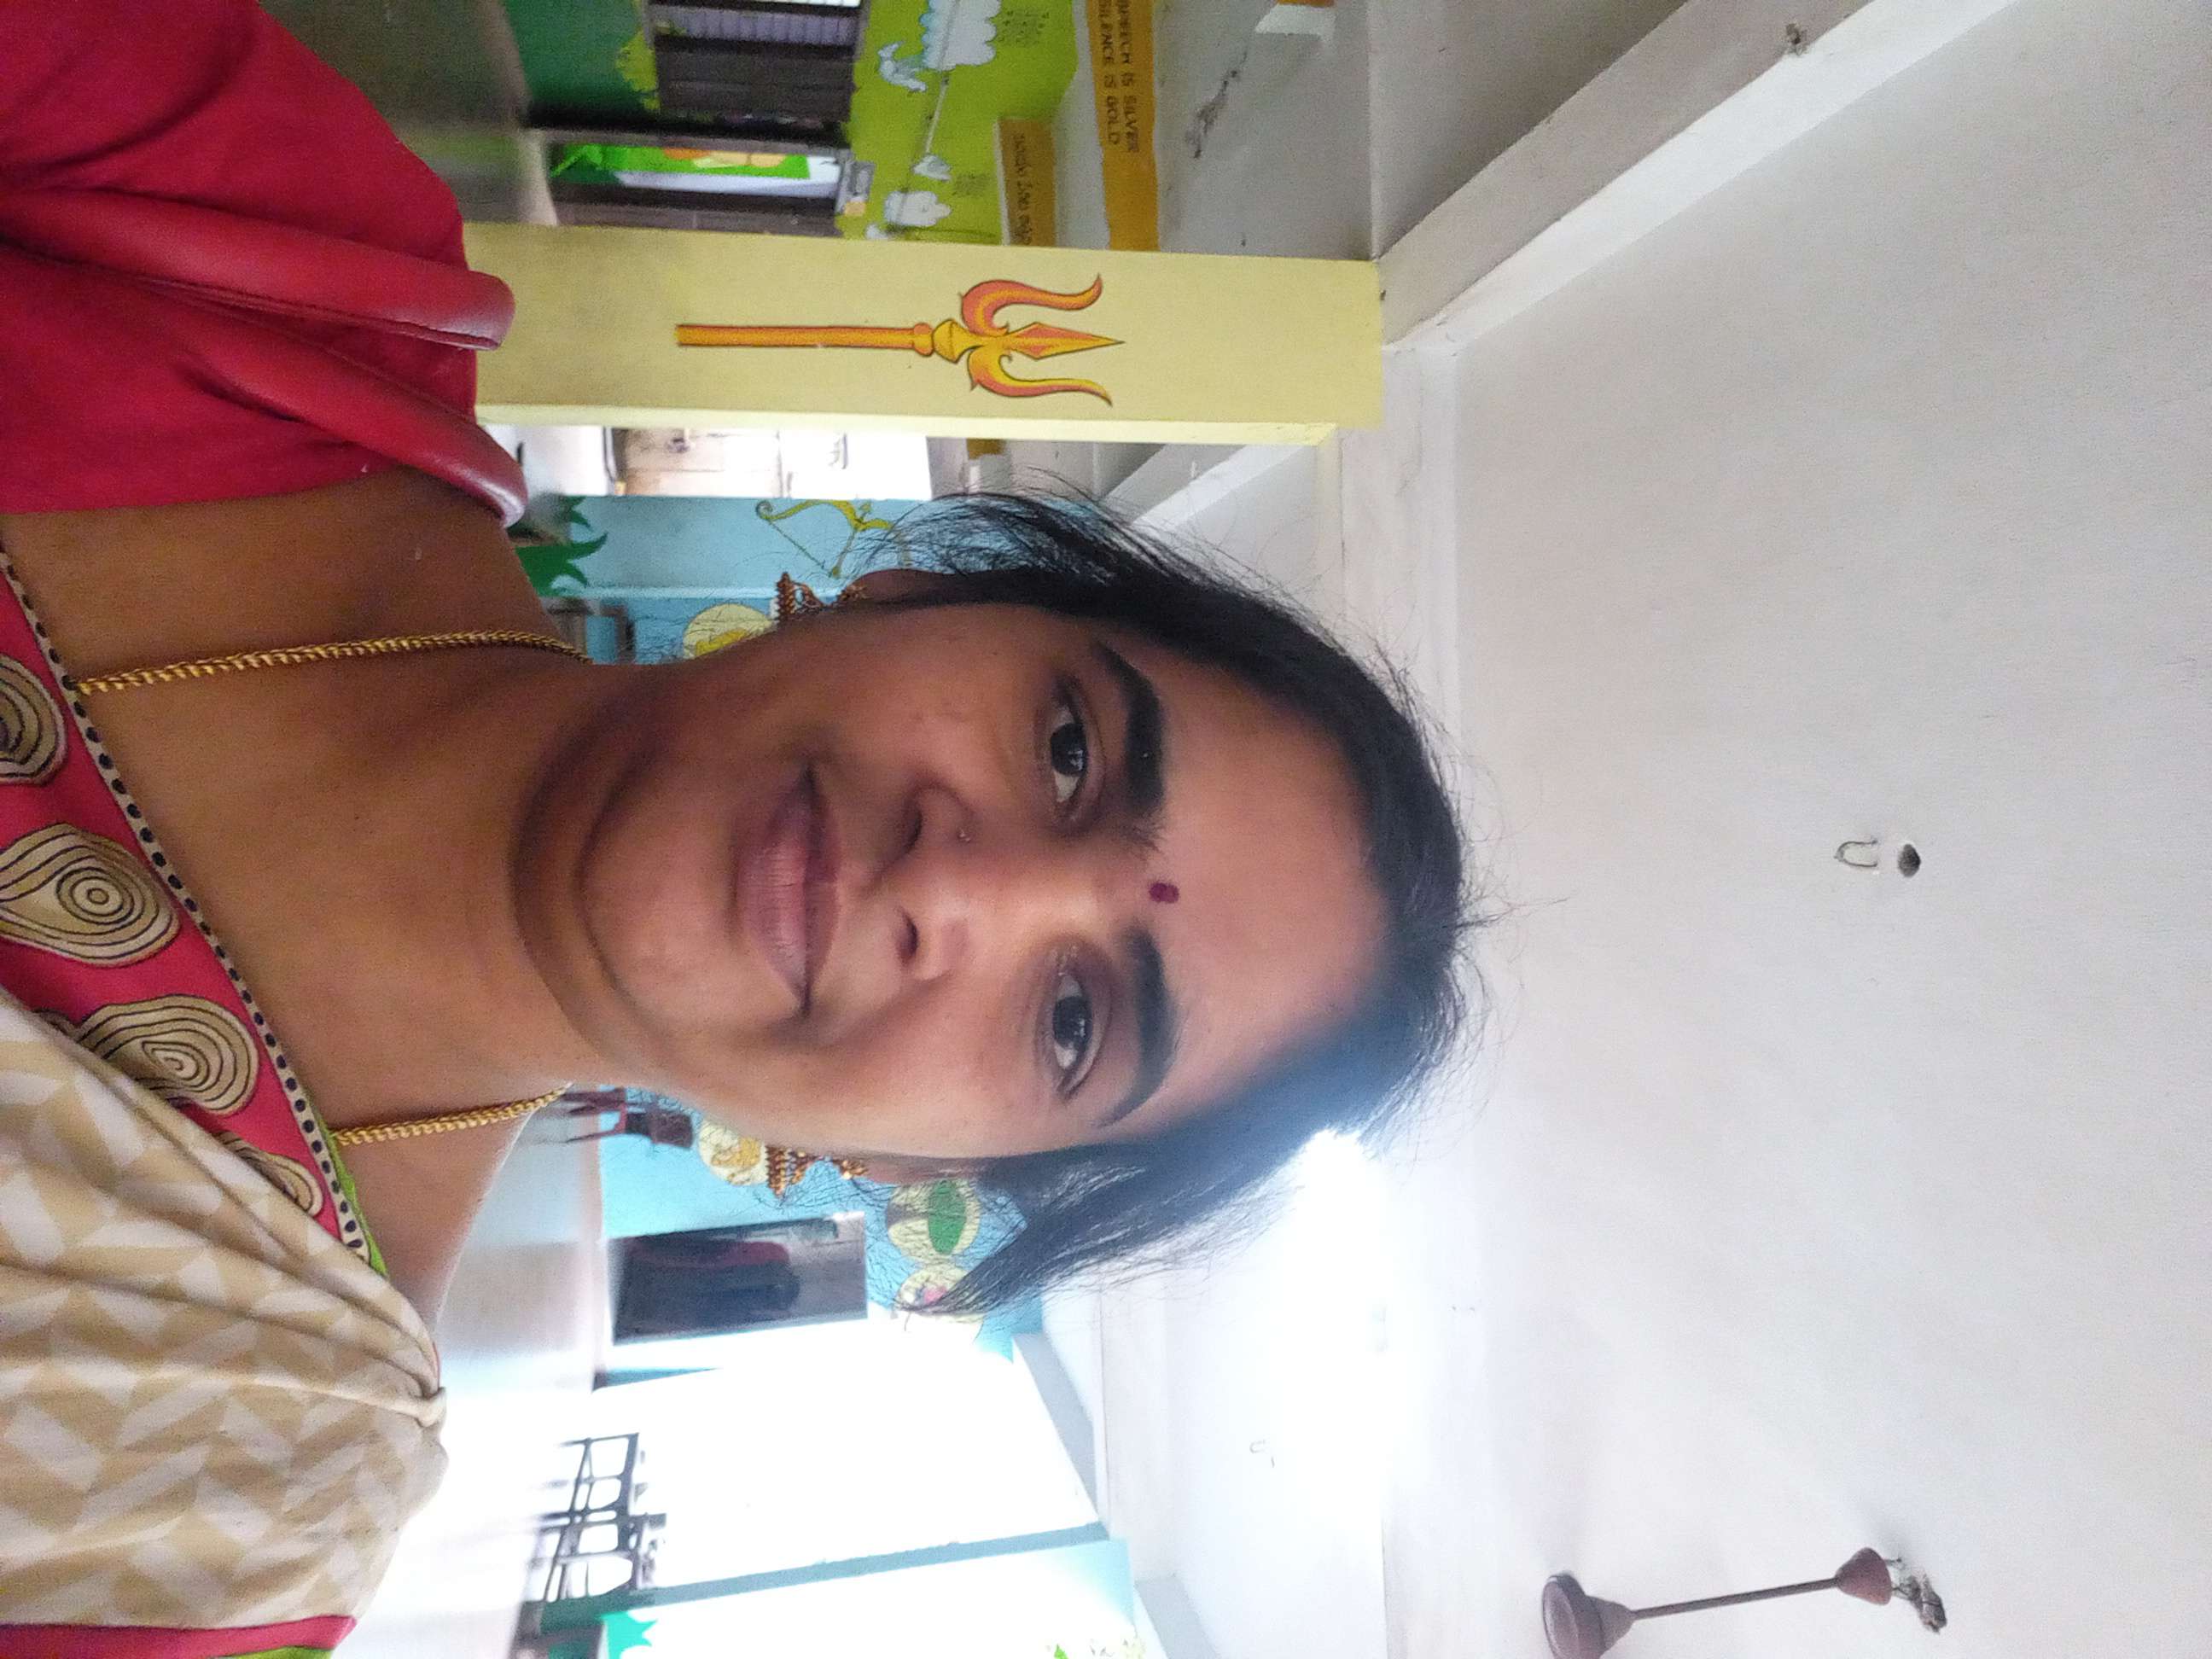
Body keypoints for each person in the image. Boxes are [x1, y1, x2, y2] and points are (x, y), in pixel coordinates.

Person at [0, 3, 1472, 1654]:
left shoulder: (217, 1489)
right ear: (908, 592)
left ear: (919, 1170)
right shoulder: (265, 267)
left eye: (1076, 1020)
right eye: (1070, 747)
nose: (964, 889)